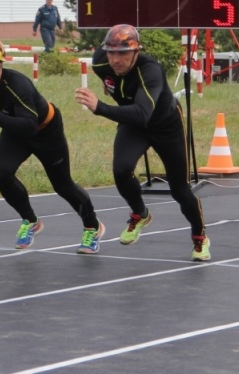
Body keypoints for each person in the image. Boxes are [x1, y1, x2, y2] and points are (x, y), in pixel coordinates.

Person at [74, 24, 211, 261]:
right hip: (133, 123)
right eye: (111, 53)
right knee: (121, 169)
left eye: (123, 54)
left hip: (164, 124)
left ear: (136, 52)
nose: (116, 60)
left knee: (180, 190)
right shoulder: (100, 62)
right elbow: (117, 90)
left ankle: (200, 237)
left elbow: (142, 113)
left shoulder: (151, 70)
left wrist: (100, 107)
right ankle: (140, 214)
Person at [0, 37, 104, 253]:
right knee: (1, 173)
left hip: (45, 129)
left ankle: (92, 227)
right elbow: (15, 122)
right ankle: (30, 220)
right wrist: (0, 117)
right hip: (15, 129)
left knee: (62, 185)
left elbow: (30, 127)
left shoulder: (18, 85)